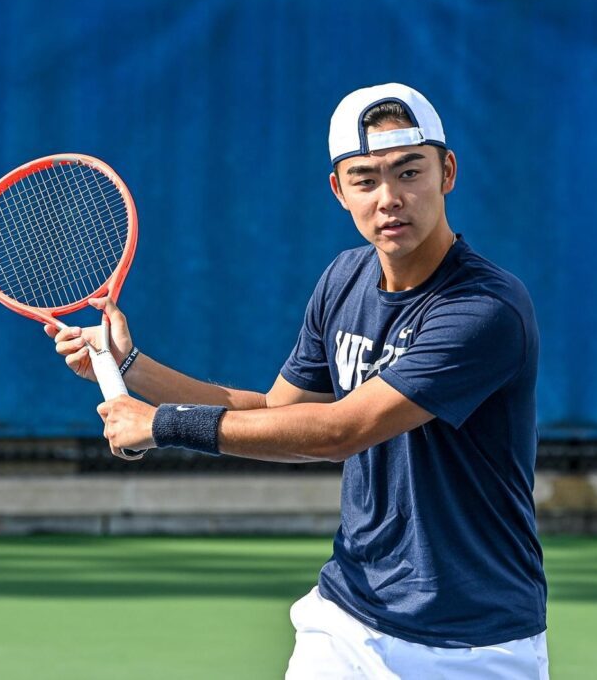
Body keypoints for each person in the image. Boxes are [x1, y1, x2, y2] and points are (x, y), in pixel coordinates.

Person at [47, 83, 548, 678]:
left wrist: (162, 425)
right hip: (346, 619)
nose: (389, 198)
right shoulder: (344, 279)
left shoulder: (485, 309)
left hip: (473, 643)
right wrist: (133, 367)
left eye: (409, 172)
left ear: (447, 172)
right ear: (339, 191)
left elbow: (341, 431)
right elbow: (275, 413)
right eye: (364, 179)